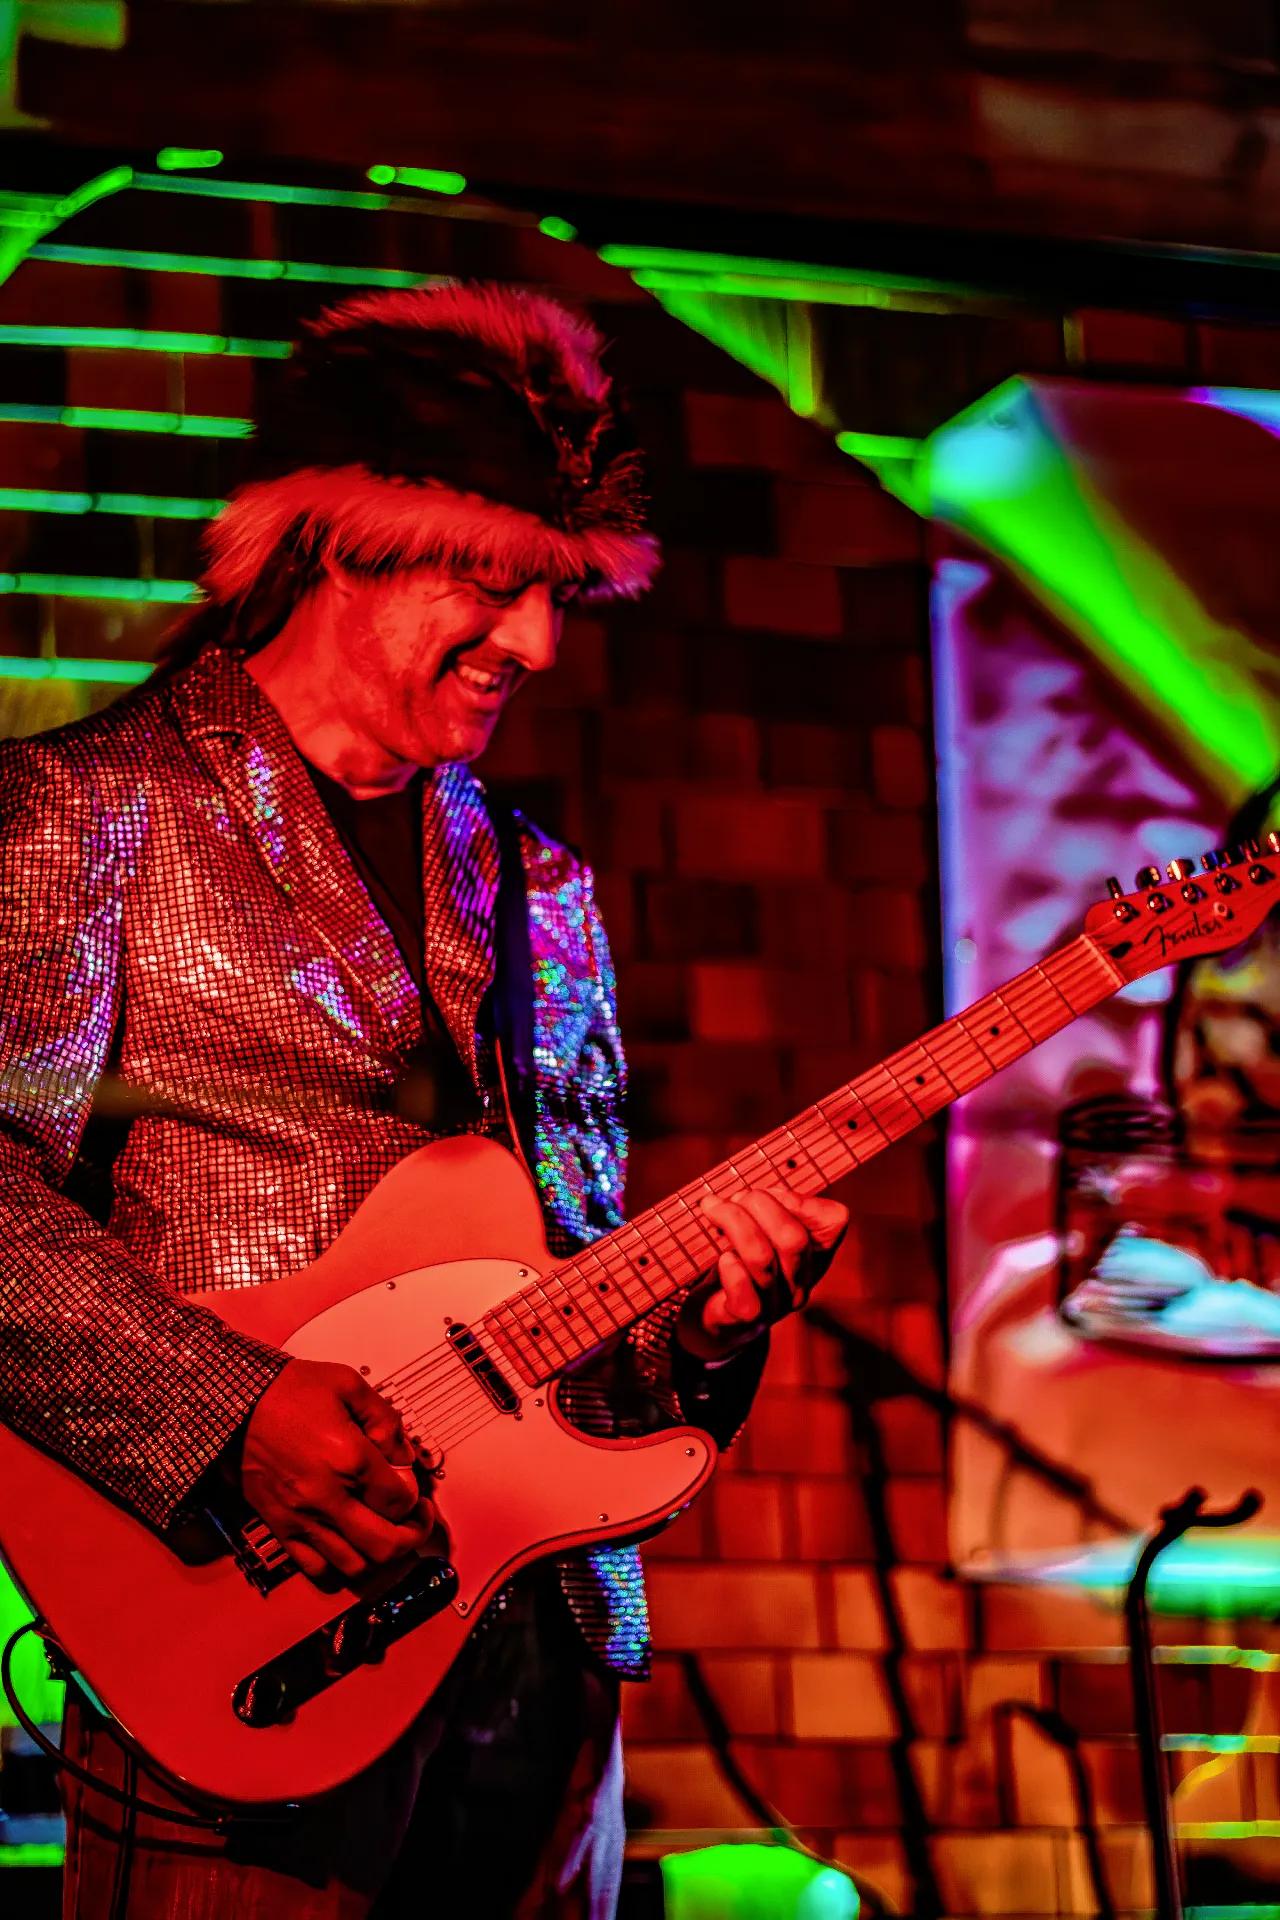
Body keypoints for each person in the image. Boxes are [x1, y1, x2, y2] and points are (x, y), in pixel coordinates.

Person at [0, 282, 848, 1918]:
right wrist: (229, 1418)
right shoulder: (85, 810)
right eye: (495, 581)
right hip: (247, 1669)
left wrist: (714, 1321)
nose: (536, 641)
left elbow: (575, 1295)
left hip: (543, 1688)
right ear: (336, 545)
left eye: (558, 595)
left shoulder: (542, 892)